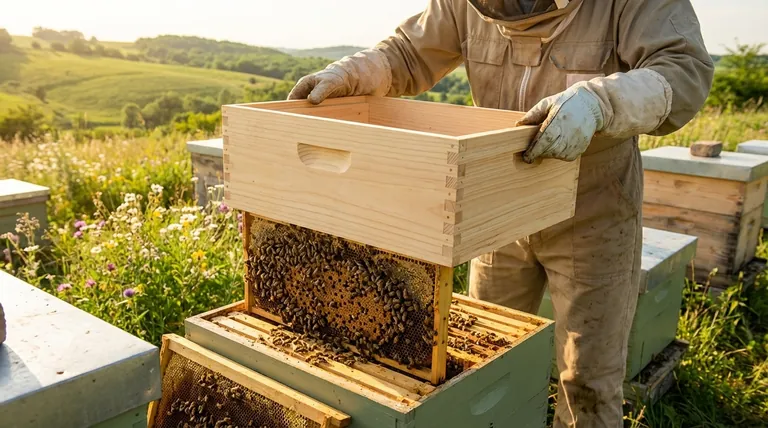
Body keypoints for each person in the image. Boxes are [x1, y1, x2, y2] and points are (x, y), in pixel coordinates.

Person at [287, 1, 714, 426]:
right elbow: (407, 52)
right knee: (481, 363)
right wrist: (352, 73)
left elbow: (684, 70)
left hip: (594, 209)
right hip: (496, 208)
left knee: (589, 379)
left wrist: (602, 102)